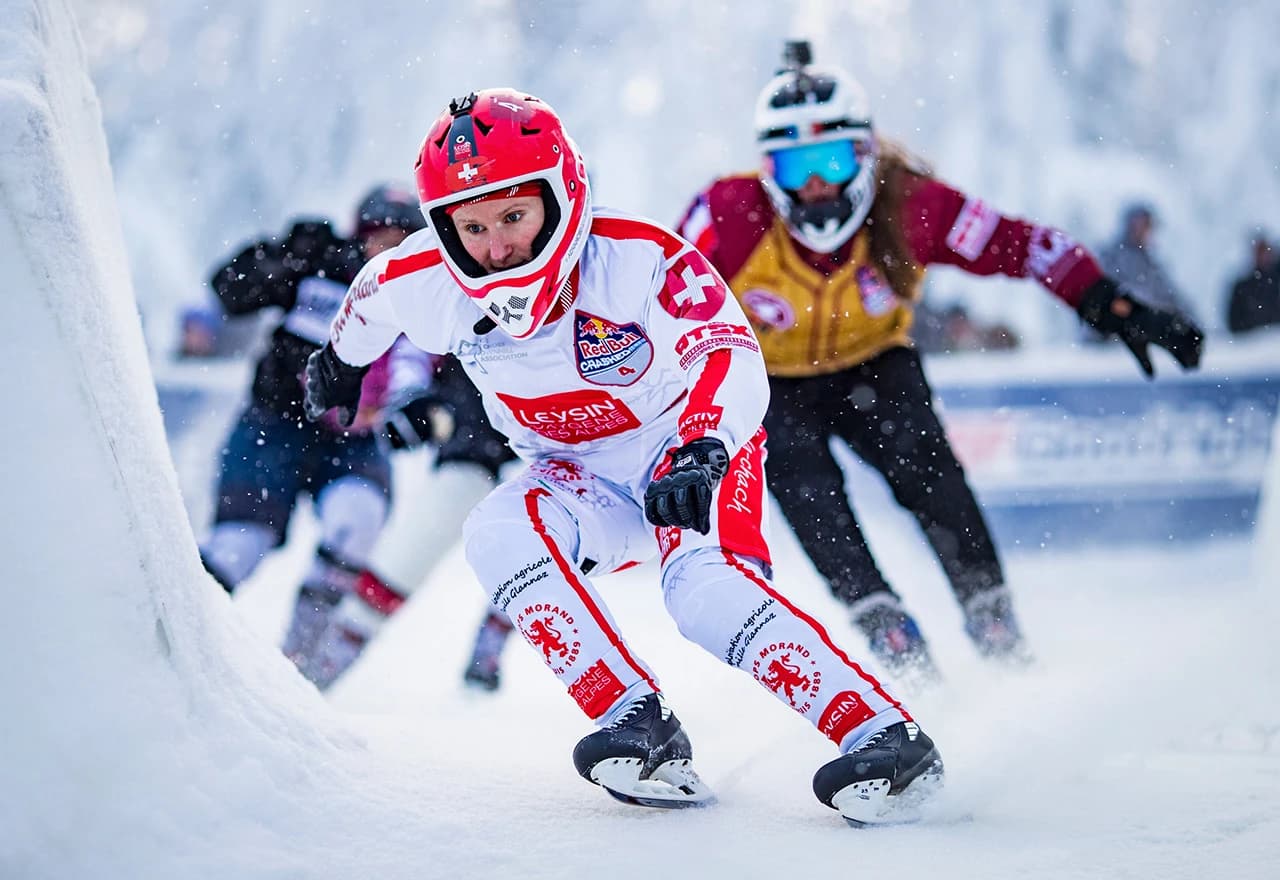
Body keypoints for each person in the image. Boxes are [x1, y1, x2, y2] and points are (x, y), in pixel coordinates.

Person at [303, 87, 943, 825]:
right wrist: (341, 362)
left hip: (689, 452)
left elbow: (729, 351)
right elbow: (368, 301)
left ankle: (886, 738)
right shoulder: (424, 280)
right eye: (472, 227)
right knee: (495, 532)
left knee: (702, 593)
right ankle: (638, 726)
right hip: (578, 475)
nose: (497, 247)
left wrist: (704, 443)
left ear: (563, 195)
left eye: (514, 216)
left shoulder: (641, 258)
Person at [674, 42, 1204, 687]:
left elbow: (1022, 244)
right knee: (809, 498)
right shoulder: (729, 212)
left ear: (865, 155)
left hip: (876, 367)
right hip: (772, 383)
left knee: (933, 480)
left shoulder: (912, 205)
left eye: (831, 160)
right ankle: (889, 633)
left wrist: (1107, 303)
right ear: (767, 171)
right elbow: (660, 295)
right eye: (793, 166)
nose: (813, 184)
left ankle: (994, 623)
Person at [199, 184, 426, 690]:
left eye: (401, 240)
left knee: (356, 522)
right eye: (378, 236)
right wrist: (276, 257)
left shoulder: (422, 292)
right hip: (275, 424)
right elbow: (229, 291)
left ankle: (299, 664)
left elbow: (443, 380)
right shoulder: (320, 264)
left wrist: (425, 417)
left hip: (351, 439)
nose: (385, 249)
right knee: (239, 545)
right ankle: (177, 635)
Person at [369, 350, 520, 691]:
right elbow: (416, 341)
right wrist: (409, 394)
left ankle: (490, 651)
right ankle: (317, 665)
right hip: (473, 436)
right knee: (401, 564)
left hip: (549, 441)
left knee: (543, 549)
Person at [1086, 202, 1199, 339]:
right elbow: (1103, 296)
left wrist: (1189, 322)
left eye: (1149, 226)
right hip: (1106, 338)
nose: (1147, 231)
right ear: (1131, 225)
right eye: (1143, 225)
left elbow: (1169, 296)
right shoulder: (1111, 256)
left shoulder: (1149, 262)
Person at [1226, 233, 1280, 334]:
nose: (1264, 257)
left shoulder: (1276, 281)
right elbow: (1235, 325)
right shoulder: (1243, 287)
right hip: (1255, 340)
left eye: (1265, 251)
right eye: (1260, 252)